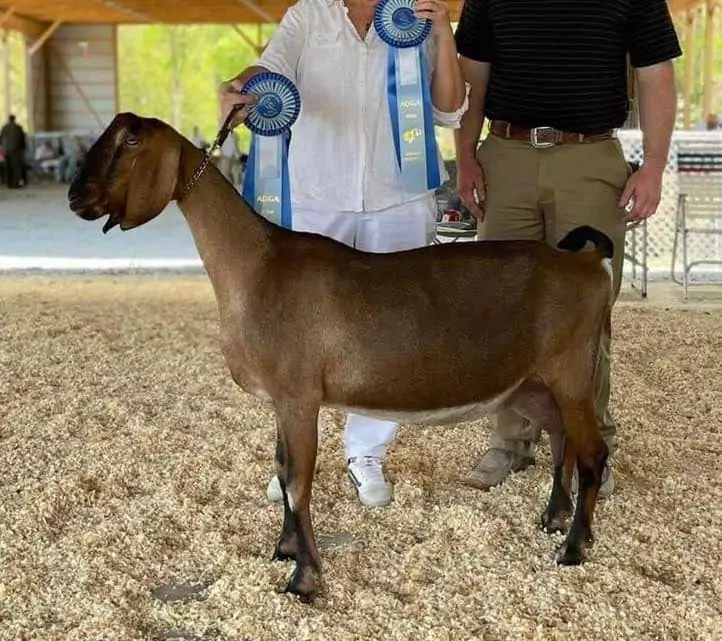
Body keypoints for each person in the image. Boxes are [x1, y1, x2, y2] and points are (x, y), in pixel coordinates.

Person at [218, 0, 467, 508]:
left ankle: (367, 454)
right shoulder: (307, 16)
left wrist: (444, 34)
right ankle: (292, 452)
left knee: (390, 332)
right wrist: (239, 86)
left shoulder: (418, 17)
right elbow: (269, 70)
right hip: (316, 197)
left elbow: (449, 110)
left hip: (400, 199)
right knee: (299, 331)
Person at [453, 0, 681, 496]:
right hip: (505, 157)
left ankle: (590, 444)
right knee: (501, 308)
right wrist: (465, 155)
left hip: (590, 157)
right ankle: (510, 442)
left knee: (586, 314)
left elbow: (656, 74)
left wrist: (654, 166)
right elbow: (473, 75)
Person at [0, 114, 27, 189]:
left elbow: (1, 139)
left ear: (8, 119)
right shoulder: (18, 127)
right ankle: (15, 183)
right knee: (16, 167)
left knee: (8, 167)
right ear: (14, 119)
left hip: (6, 150)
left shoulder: (4, 128)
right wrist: (23, 149)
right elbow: (22, 139)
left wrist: (3, 149)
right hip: (16, 150)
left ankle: (9, 184)